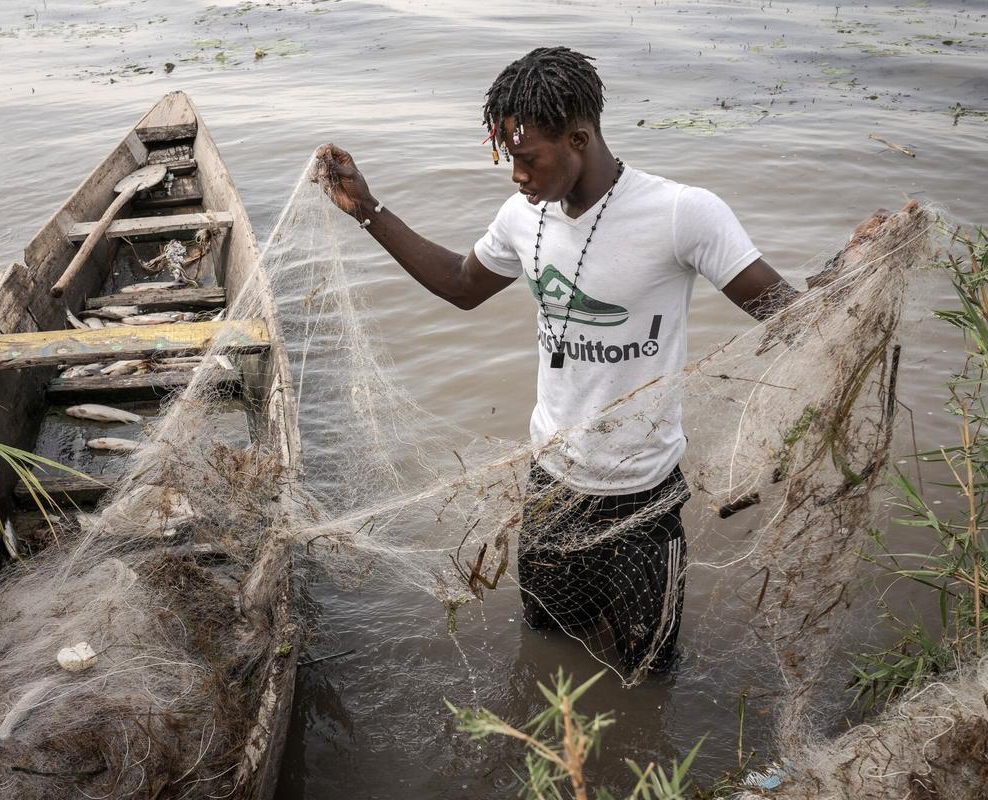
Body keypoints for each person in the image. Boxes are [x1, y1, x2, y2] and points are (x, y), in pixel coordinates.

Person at [314, 46, 798, 673]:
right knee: (545, 652)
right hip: (552, 489)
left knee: (648, 671)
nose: (516, 176)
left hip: (641, 502)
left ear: (578, 137)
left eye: (526, 158)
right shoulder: (524, 217)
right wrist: (369, 209)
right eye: (507, 158)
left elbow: (787, 314)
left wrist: (859, 269)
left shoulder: (683, 213)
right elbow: (462, 285)